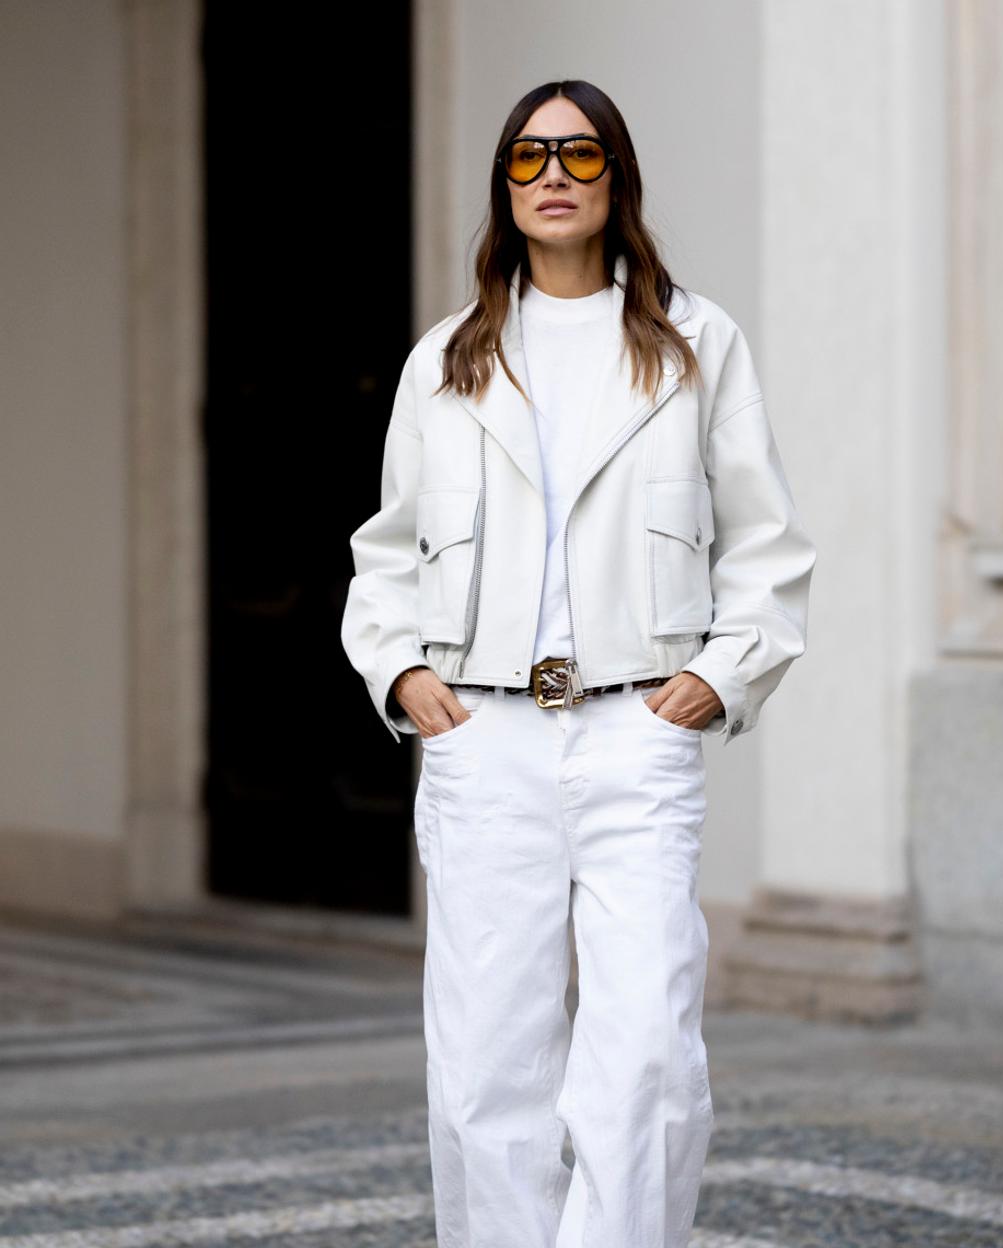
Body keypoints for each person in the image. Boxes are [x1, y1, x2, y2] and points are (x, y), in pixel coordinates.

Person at [341, 78, 816, 1248]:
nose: (555, 174)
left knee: (647, 1053)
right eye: (530, 156)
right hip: (483, 736)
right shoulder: (446, 360)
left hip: (633, 732)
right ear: (505, 184)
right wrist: (405, 678)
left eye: (582, 154)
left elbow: (765, 537)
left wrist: (721, 673)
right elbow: (386, 553)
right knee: (485, 1062)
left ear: (618, 178)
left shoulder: (697, 343)